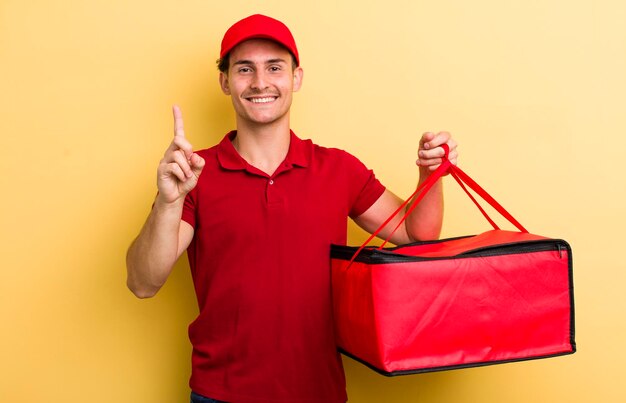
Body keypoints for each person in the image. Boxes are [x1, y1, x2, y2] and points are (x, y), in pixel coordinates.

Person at [126, 14, 458, 403]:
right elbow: (142, 283)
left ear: (296, 78)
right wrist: (169, 201)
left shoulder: (338, 169)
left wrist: (430, 174)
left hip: (319, 393)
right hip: (222, 395)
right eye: (245, 69)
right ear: (225, 81)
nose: (260, 82)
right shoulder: (195, 174)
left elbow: (416, 234)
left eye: (274, 68)